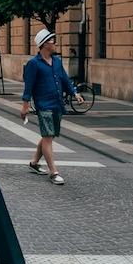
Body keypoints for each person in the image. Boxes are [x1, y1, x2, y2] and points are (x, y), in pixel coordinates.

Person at [21, 29, 84, 185]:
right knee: (48, 137)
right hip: (43, 105)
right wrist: (25, 105)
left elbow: (64, 79)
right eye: (52, 40)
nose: (55, 43)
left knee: (48, 135)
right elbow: (28, 86)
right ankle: (53, 172)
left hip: (57, 104)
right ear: (44, 44)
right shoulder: (33, 64)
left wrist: (75, 93)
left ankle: (34, 163)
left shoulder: (56, 61)